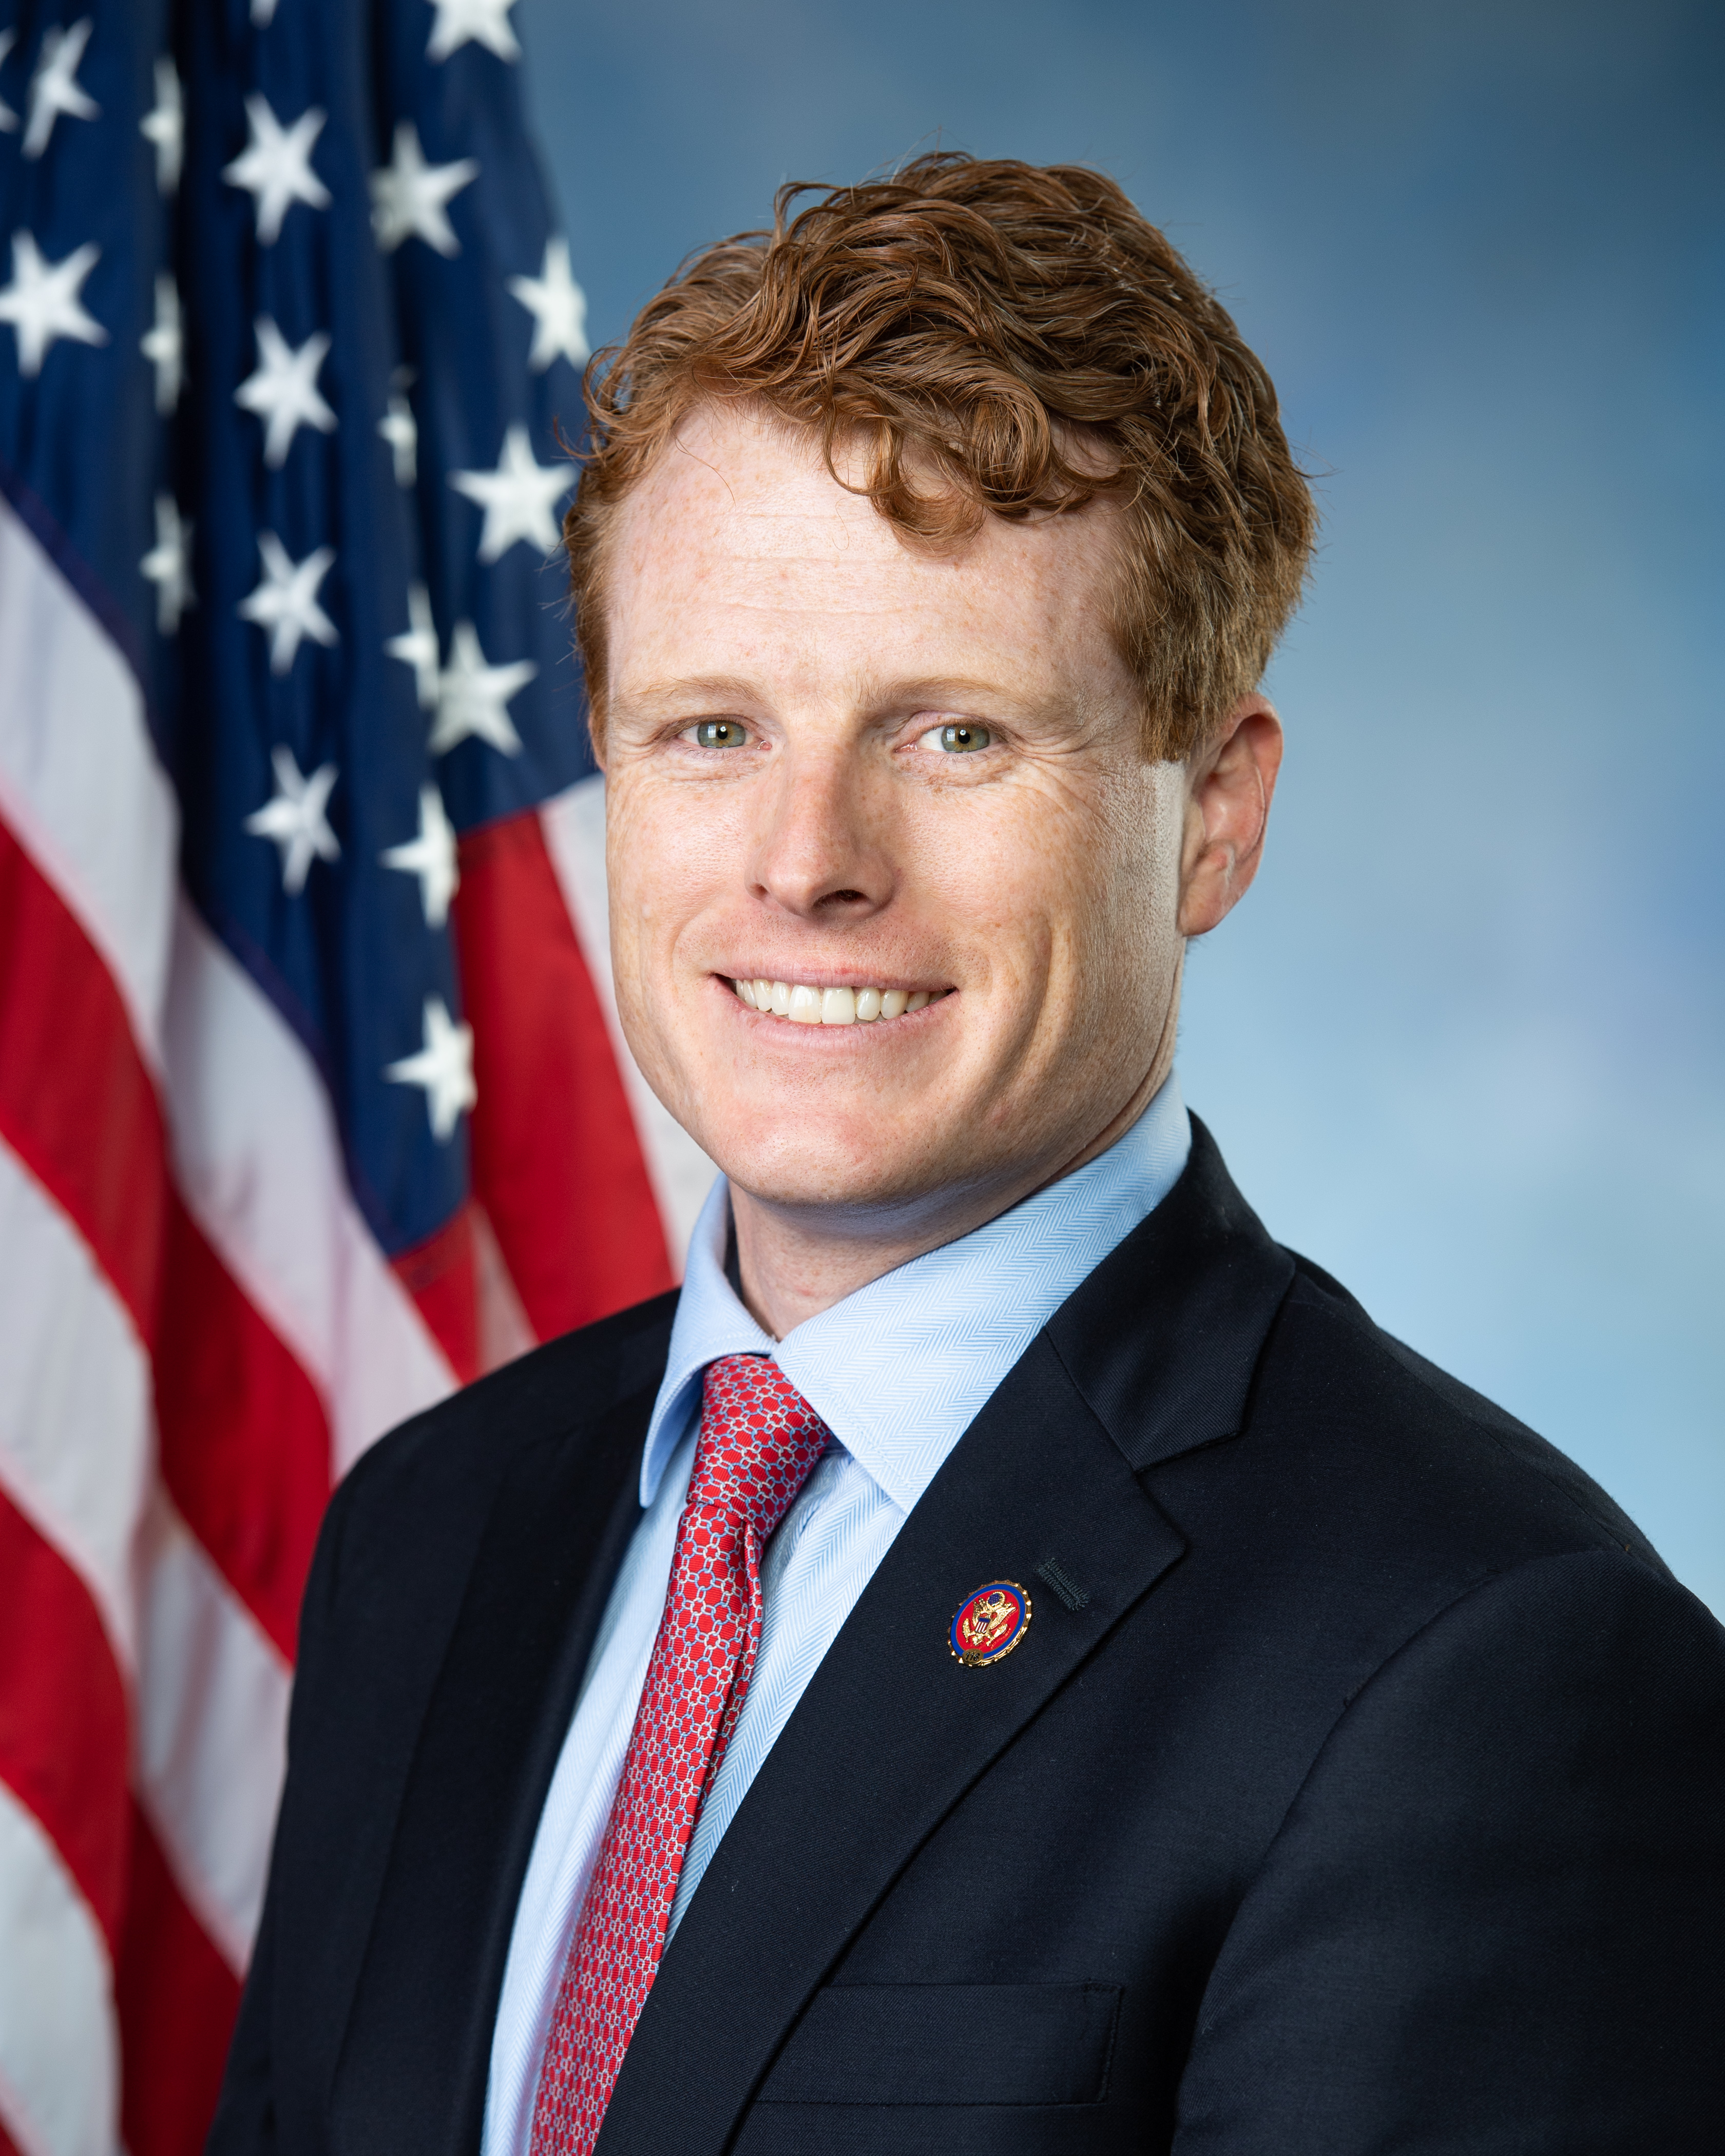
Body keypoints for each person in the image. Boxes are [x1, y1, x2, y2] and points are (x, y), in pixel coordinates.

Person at [210, 156, 1725, 2156]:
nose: (809, 862)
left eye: (955, 736)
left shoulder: (1487, 1669)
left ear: (1214, 816)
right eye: (710, 731)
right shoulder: (432, 1534)